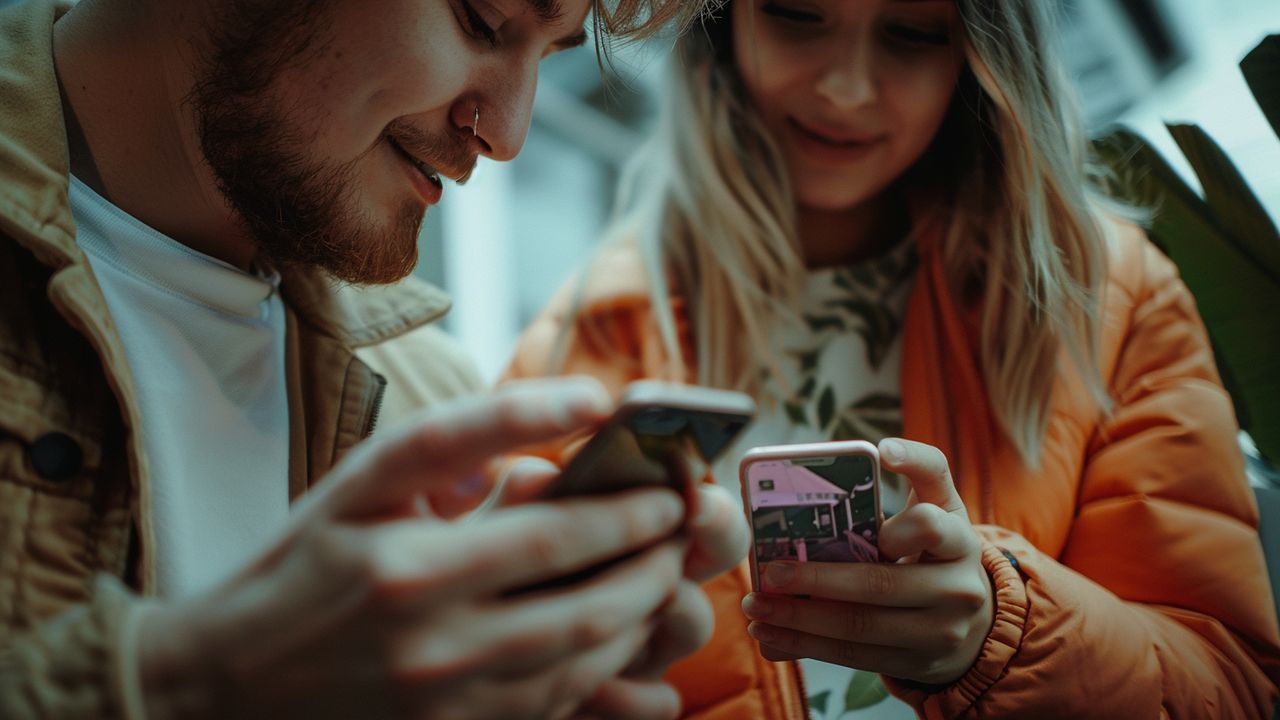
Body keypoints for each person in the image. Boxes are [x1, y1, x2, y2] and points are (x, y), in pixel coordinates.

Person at [500, 0, 1280, 717]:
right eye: (797, 15)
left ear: (983, 54)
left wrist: (1001, 633)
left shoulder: (1108, 298)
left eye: (911, 34)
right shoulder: (586, 337)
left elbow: (1231, 688)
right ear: (722, 23)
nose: (845, 88)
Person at [0, 0, 750, 718]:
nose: (510, 134)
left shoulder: (437, 404)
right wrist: (188, 691)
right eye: (480, 20)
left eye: (547, 59)